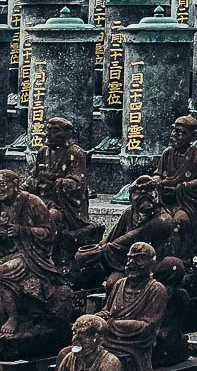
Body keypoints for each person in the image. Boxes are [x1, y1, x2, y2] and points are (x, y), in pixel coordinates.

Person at [97, 240, 169, 371]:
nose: (132, 264)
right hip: (109, 339)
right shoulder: (119, 284)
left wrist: (112, 324)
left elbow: (148, 326)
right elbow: (108, 310)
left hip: (134, 346)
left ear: (151, 264)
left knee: (118, 362)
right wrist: (103, 317)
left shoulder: (156, 290)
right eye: (129, 259)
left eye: (138, 259)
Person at [153, 115, 197, 294]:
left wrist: (180, 187)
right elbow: (158, 173)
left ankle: (182, 261)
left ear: (192, 136)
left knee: (179, 221)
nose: (175, 135)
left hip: (187, 204)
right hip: (166, 200)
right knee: (156, 220)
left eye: (181, 132)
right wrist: (156, 181)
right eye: (174, 131)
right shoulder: (167, 153)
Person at [0, 169, 70, 340]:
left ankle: (13, 317)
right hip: (6, 251)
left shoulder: (32, 202)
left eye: (2, 185)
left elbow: (49, 232)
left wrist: (22, 231)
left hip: (29, 254)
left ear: (15, 185)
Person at [23, 118, 98, 266]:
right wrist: (25, 187)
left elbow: (77, 184)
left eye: (55, 131)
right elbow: (32, 177)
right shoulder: (42, 152)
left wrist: (56, 182)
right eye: (48, 130)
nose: (49, 134)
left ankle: (46, 256)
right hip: (41, 198)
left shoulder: (75, 153)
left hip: (63, 205)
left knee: (50, 217)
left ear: (67, 134)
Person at [74, 174, 174, 285]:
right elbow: (111, 237)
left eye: (149, 191)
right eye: (138, 193)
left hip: (152, 264)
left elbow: (129, 238)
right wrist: (96, 248)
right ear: (131, 198)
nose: (144, 195)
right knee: (111, 281)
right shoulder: (129, 213)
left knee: (172, 265)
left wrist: (100, 251)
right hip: (128, 263)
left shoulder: (163, 220)